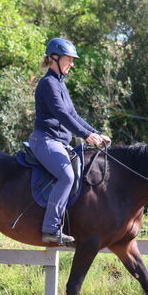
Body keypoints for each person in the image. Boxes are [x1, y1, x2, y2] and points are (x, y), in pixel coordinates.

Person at [29, 37, 111, 245]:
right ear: (54, 58)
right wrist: (85, 136)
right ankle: (50, 229)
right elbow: (61, 115)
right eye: (69, 59)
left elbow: (73, 115)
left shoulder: (60, 85)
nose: (72, 64)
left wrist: (96, 133)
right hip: (46, 140)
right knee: (67, 176)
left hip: (60, 142)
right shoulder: (48, 83)